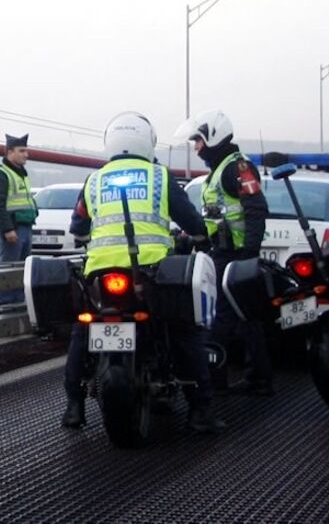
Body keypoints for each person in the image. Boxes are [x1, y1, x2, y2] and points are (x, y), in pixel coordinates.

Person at [62, 111, 225, 434]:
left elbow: (78, 228)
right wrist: (201, 237)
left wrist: (86, 238)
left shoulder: (95, 180)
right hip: (150, 272)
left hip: (100, 275)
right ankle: (200, 410)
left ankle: (73, 406)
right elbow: (191, 221)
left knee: (83, 331)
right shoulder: (160, 177)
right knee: (183, 329)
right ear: (147, 141)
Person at [177, 109, 273, 397]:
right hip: (222, 252)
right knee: (241, 316)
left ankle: (218, 379)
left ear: (213, 137)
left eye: (199, 141)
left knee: (223, 316)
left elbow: (255, 210)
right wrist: (191, 240)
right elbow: (215, 217)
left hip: (236, 255)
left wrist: (248, 253)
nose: (196, 148)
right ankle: (255, 377)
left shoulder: (238, 167)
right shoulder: (219, 171)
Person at [0, 133, 38, 306]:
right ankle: (4, 304)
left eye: (26, 150)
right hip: (13, 228)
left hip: (24, 226)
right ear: (9, 152)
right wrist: (7, 229)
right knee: (8, 269)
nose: (26, 154)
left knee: (22, 269)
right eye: (22, 150)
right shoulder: (1, 174)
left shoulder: (20, 173)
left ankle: (17, 302)